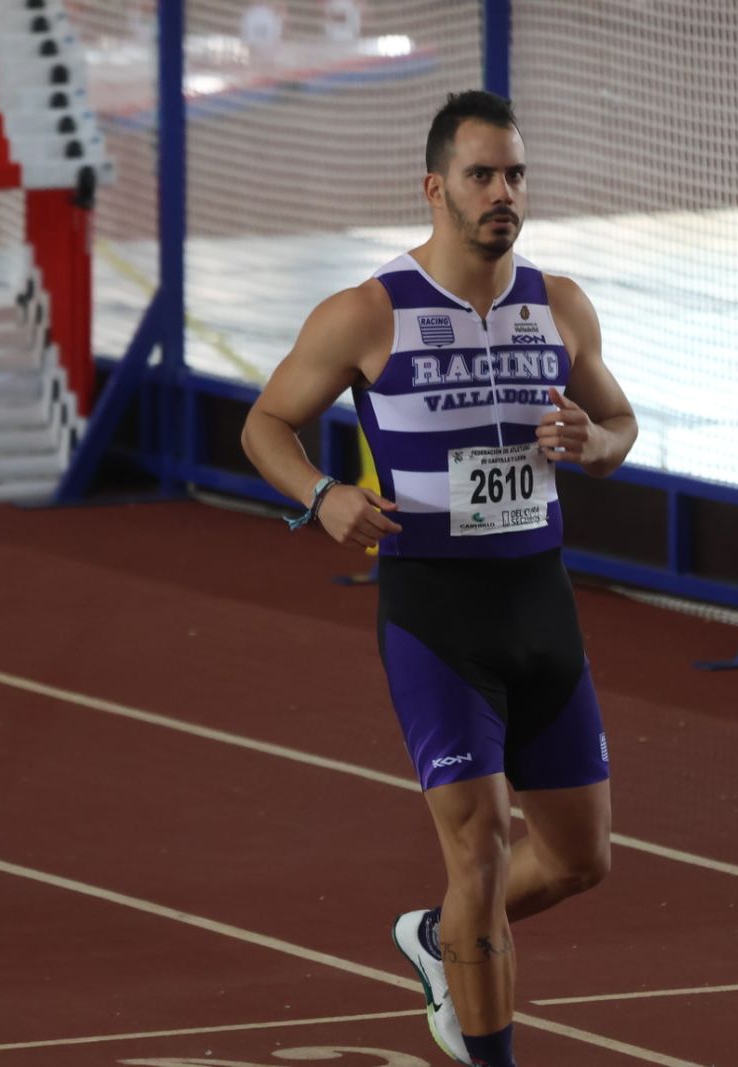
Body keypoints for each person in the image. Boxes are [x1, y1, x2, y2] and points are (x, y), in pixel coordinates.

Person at [241, 90, 638, 1067]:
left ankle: (436, 935)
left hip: (541, 600)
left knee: (582, 859)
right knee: (482, 850)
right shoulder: (368, 311)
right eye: (481, 175)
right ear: (436, 188)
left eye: (514, 175)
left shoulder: (561, 304)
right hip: (436, 614)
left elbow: (622, 426)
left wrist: (594, 440)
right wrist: (321, 494)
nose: (503, 193)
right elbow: (263, 424)